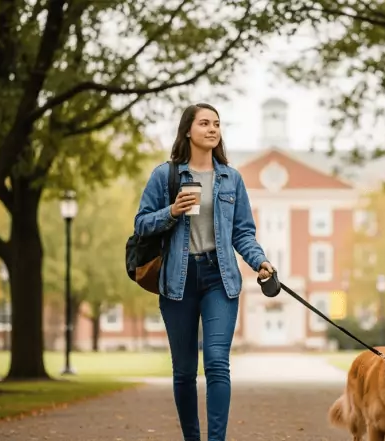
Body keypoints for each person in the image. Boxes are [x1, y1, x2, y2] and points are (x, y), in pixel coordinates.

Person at [134, 103, 274, 441]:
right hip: (177, 281)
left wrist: (260, 261)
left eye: (217, 124)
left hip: (219, 278)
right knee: (184, 371)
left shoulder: (231, 178)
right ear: (187, 131)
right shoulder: (165, 176)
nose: (212, 129)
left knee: (216, 363)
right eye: (204, 123)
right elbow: (141, 224)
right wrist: (170, 211)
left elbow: (242, 231)